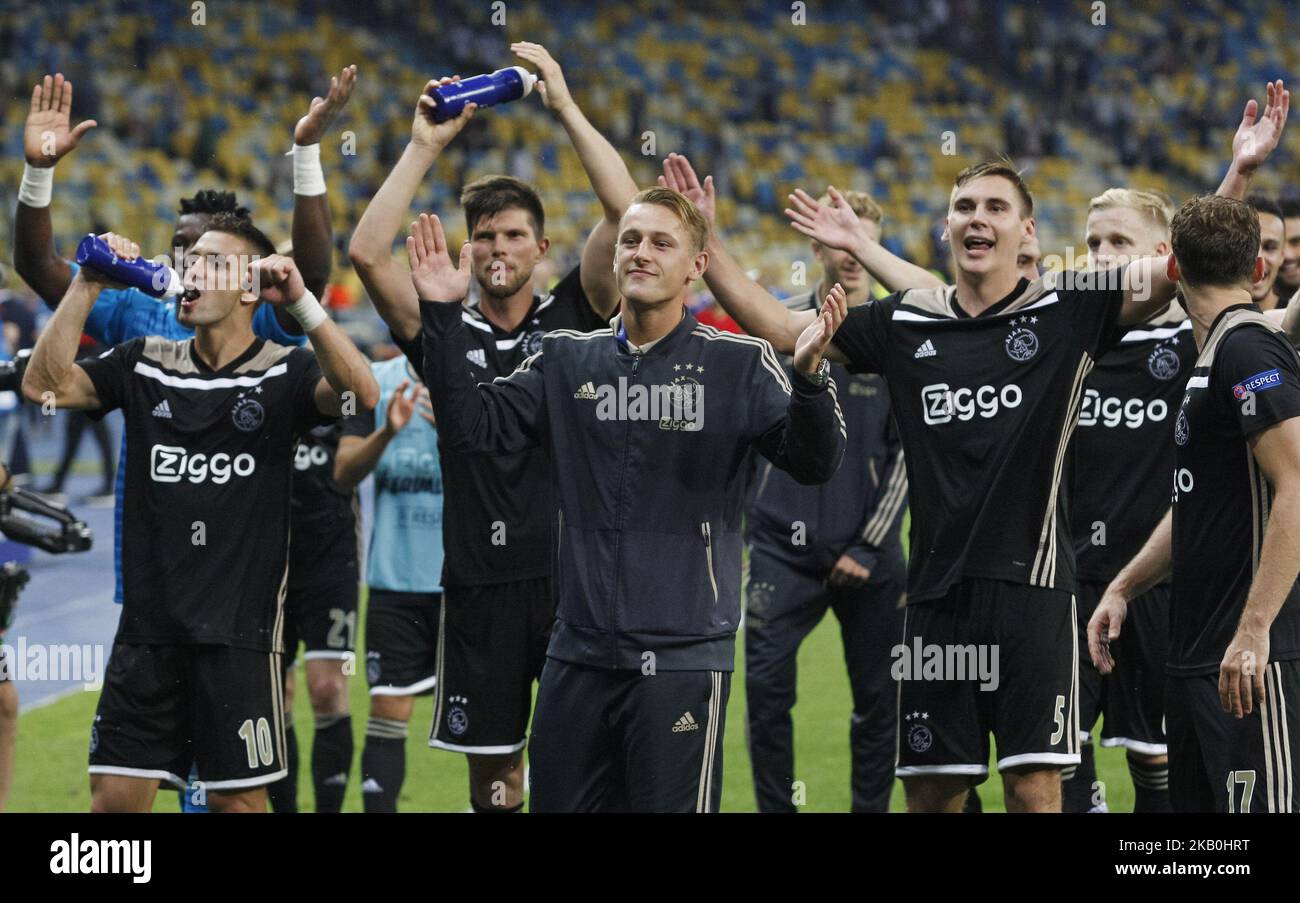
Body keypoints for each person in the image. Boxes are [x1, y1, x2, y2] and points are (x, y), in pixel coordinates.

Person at [694, 80, 1288, 813]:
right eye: (965, 208)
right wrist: (707, 248)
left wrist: (1241, 173)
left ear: (1027, 232)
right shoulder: (908, 324)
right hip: (935, 597)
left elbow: (1188, 259)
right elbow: (788, 333)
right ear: (946, 230)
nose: (978, 218)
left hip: (1035, 597)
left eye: (996, 208)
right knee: (932, 792)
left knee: (1036, 790)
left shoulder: (1071, 310)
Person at [415, 187, 846, 811]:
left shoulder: (738, 365)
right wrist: (442, 316)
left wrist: (808, 382)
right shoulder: (564, 359)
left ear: (697, 265)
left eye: (662, 243)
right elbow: (470, 430)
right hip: (576, 654)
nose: (642, 253)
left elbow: (816, 462)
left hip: (682, 659)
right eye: (632, 240)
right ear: (614, 256)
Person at [14, 68, 361, 812]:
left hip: (237, 605)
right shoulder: (138, 334)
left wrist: (305, 168)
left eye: (205, 256)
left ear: (245, 280)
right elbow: (43, 344)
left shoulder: (267, 341)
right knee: (117, 798)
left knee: (229, 798)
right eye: (179, 252)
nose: (182, 268)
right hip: (150, 593)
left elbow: (327, 307)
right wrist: (57, 218)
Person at [348, 43, 631, 812]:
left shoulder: (575, 315)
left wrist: (566, 105)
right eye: (485, 237)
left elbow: (625, 215)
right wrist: (422, 145)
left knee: (583, 769)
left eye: (513, 236)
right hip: (477, 580)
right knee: (495, 783)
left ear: (542, 249)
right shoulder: (443, 328)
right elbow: (367, 253)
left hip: (574, 578)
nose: (497, 248)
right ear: (467, 251)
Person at [659, 156, 906, 813]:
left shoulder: (902, 334)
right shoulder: (777, 331)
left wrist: (871, 545)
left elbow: (907, 456)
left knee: (880, 699)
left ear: (878, 246)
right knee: (766, 690)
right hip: (780, 548)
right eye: (833, 238)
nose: (850, 254)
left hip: (871, 556)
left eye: (863, 237)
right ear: (815, 246)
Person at [1088, 195, 1300, 812]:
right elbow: (1196, 507)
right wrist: (1125, 587)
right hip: (1197, 658)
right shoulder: (1209, 360)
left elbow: (1297, 484)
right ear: (1258, 271)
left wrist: (1256, 629)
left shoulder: (1248, 350)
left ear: (1172, 268)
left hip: (1249, 661)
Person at [334, 364, 442, 812]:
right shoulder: (373, 382)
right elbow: (343, 473)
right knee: (387, 713)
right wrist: (388, 433)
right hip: (394, 583)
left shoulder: (481, 368)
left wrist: (460, 430)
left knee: (488, 735)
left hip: (467, 586)